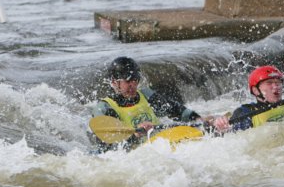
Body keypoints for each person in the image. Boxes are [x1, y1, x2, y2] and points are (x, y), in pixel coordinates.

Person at [90, 56, 229, 151]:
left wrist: (198, 119)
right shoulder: (105, 108)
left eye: (135, 79)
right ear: (114, 82)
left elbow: (175, 110)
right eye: (127, 81)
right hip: (137, 155)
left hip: (160, 143)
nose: (133, 85)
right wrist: (135, 135)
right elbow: (107, 148)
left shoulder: (146, 95)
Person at [229, 65, 284, 131]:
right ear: (256, 90)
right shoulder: (246, 112)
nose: (276, 87)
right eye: (269, 83)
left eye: (278, 83)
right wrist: (224, 126)